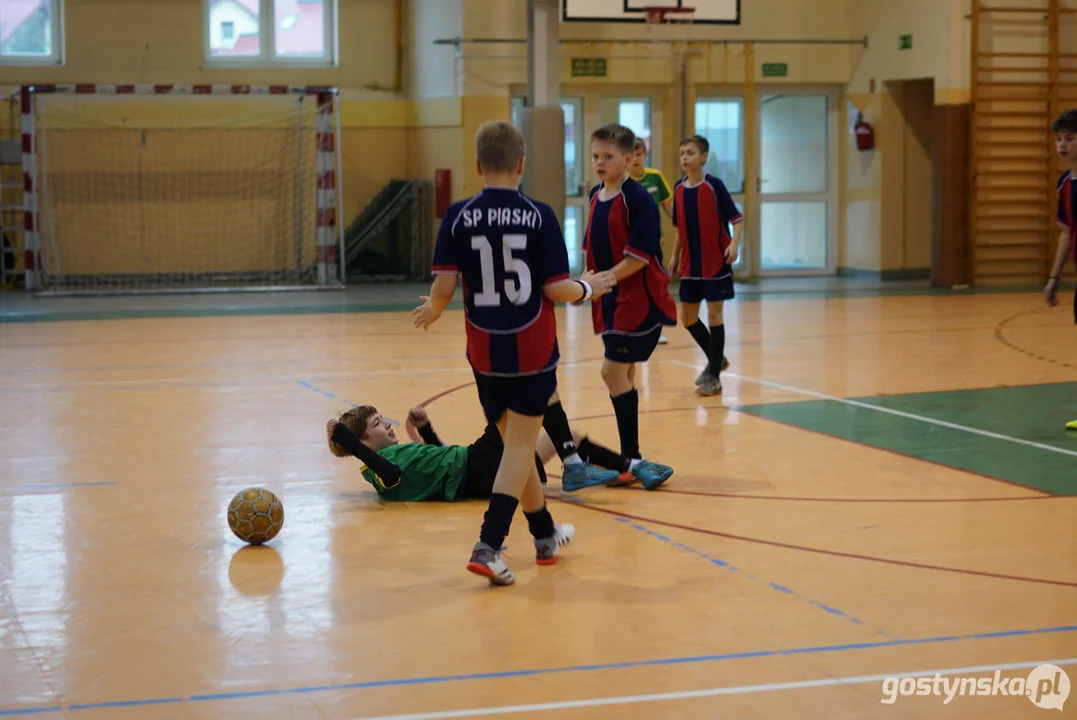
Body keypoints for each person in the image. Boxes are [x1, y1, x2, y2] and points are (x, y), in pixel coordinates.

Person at [412, 120, 617, 586]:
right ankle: (488, 545)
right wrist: (592, 286)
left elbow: (444, 288)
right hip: (530, 350)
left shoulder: (458, 216)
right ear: (522, 164)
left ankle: (545, 535)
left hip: (483, 353)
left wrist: (433, 309)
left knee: (513, 449)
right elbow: (556, 289)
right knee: (521, 448)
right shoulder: (540, 214)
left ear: (478, 164)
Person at [324, 404, 671, 501]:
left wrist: (427, 430)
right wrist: (346, 440)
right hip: (479, 468)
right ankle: (578, 468)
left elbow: (442, 461)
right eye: (376, 424)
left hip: (480, 468)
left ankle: (634, 466)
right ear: (363, 444)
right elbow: (391, 473)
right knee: (521, 391)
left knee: (569, 435)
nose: (386, 424)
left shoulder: (400, 454)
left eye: (383, 418)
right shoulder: (382, 469)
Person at [584, 122, 678, 473]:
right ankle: (631, 459)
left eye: (608, 156)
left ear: (628, 158)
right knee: (625, 374)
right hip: (608, 300)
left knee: (611, 372)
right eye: (595, 155)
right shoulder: (596, 196)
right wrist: (584, 282)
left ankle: (631, 457)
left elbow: (638, 258)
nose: (600, 162)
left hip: (637, 300)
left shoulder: (637, 199)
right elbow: (590, 249)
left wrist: (600, 281)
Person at [669, 135, 742, 396]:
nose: (685, 158)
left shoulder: (715, 186)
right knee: (687, 318)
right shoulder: (678, 188)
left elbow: (737, 218)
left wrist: (734, 245)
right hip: (690, 265)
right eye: (682, 153)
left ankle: (713, 374)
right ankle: (717, 357)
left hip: (716, 263)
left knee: (714, 316)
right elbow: (679, 228)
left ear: (704, 157)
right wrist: (675, 256)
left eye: (690, 153)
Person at [1044, 108, 1077, 431]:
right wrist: (1054, 278)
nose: (1062, 145)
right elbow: (1066, 231)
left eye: (1069, 138)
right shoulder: (1065, 184)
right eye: (1058, 139)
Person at [627, 137, 675, 346]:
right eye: (632, 155)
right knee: (632, 286)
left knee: (655, 284)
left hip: (654, 244)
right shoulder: (623, 182)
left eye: (639, 154)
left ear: (644, 155)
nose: (636, 159)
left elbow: (668, 206)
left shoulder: (655, 178)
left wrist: (681, 228)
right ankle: (632, 327)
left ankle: (656, 329)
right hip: (630, 245)